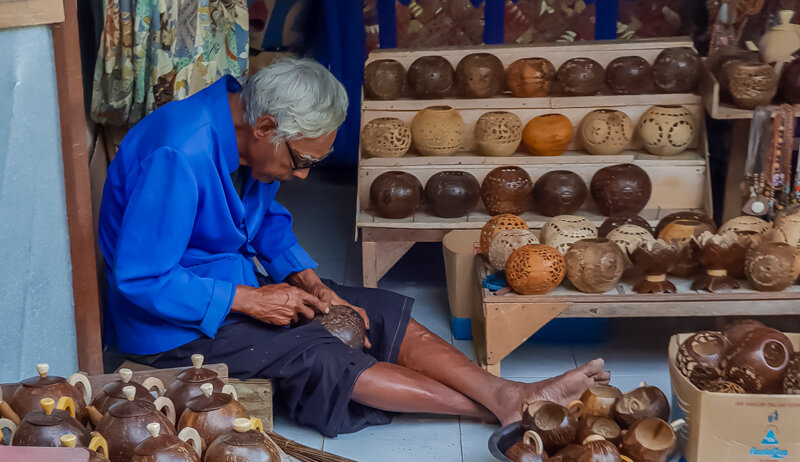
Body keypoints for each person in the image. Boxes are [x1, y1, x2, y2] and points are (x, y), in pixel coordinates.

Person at [99, 58, 610, 438]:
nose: (300, 175)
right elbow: (142, 278)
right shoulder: (177, 153)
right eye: (300, 160)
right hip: (170, 321)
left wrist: (317, 288)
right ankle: (496, 409)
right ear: (265, 128)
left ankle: (508, 394)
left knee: (372, 311)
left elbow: (268, 223)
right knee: (318, 353)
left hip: (230, 283)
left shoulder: (248, 132)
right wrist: (250, 300)